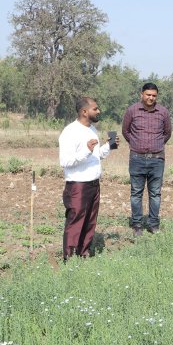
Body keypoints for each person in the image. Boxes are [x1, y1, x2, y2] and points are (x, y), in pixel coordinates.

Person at [59, 96, 118, 260]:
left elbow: (96, 156)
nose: (98, 111)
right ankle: (69, 259)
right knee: (75, 222)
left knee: (90, 221)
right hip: (78, 185)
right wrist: (86, 150)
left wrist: (108, 146)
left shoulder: (92, 130)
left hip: (93, 184)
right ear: (84, 111)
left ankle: (83, 254)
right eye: (95, 109)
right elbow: (65, 161)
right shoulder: (70, 132)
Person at [122, 83, 172, 236]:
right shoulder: (132, 110)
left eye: (154, 95)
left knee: (155, 193)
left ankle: (153, 224)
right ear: (141, 94)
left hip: (157, 159)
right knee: (136, 192)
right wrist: (137, 144)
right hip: (137, 158)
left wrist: (155, 145)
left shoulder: (163, 112)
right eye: (148, 94)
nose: (151, 98)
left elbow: (167, 133)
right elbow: (126, 131)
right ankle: (137, 225)